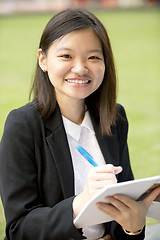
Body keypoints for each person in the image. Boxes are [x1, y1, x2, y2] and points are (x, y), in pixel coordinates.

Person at [0, 8, 159, 240]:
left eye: (93, 57)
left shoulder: (115, 118)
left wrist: (132, 227)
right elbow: (19, 229)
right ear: (43, 60)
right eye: (66, 56)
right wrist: (81, 202)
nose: (80, 68)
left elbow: (125, 224)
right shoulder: (23, 125)